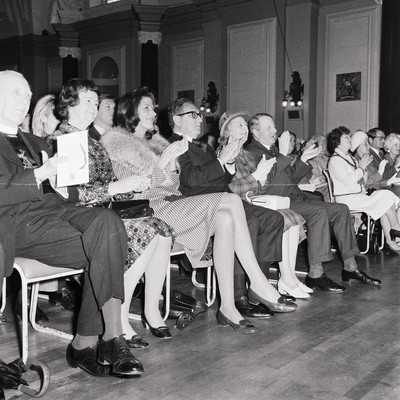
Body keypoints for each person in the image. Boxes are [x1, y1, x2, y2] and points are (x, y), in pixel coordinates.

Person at [101, 87, 296, 335]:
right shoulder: (117, 144)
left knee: (226, 219)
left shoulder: (158, 143)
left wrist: (166, 170)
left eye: (152, 107)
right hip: (151, 210)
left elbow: (172, 183)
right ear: (130, 112)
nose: (153, 112)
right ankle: (256, 282)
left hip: (170, 203)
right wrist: (163, 167)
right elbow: (133, 189)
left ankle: (228, 306)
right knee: (231, 202)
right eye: (146, 108)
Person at [0, 70, 142, 377]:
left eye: (27, 93)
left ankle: (95, 339)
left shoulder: (36, 140)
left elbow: (67, 193)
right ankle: (103, 340)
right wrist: (39, 175)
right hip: (18, 223)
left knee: (107, 224)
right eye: (15, 92)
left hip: (54, 214)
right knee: (105, 246)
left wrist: (63, 187)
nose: (24, 99)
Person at [47, 79, 175, 345]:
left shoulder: (90, 141)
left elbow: (105, 187)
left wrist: (130, 187)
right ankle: (120, 318)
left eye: (96, 102)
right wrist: (118, 187)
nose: (93, 108)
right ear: (68, 104)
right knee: (151, 229)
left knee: (162, 229)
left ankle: (151, 310)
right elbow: (72, 198)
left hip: (102, 213)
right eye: (87, 102)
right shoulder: (63, 140)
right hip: (78, 219)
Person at [245, 113, 381, 290]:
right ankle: (316, 274)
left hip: (293, 196)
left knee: (341, 209)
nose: (275, 130)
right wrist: (284, 154)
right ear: (255, 131)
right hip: (279, 200)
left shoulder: (272, 149)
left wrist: (302, 159)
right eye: (269, 127)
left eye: (274, 126)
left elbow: (291, 178)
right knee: (319, 212)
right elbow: (270, 186)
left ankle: (351, 267)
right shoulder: (252, 153)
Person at [216, 111, 310, 299]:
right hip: (238, 204)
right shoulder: (225, 154)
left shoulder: (245, 155)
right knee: (281, 217)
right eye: (240, 126)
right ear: (227, 132)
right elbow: (231, 188)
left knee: (291, 217)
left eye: (245, 125)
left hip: (254, 200)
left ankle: (288, 277)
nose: (245, 130)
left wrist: (260, 178)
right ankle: (268, 283)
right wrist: (256, 178)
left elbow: (264, 185)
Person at [328, 128, 400, 254]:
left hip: (358, 195)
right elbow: (349, 180)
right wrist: (362, 168)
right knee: (384, 197)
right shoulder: (335, 160)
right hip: (347, 198)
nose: (349, 140)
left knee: (386, 196)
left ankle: (392, 235)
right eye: (346, 138)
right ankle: (394, 231)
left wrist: (364, 170)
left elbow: (362, 180)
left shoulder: (349, 159)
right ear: (337, 142)